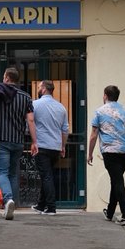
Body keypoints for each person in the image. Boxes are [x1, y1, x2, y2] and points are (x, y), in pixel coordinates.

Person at [0, 66, 37, 220]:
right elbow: (30, 120)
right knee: (13, 173)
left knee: (2, 172)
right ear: (17, 79)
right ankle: (13, 203)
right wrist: (34, 141)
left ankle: (8, 199)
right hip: (18, 141)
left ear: (6, 77)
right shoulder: (25, 97)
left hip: (0, 139)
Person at [87, 85, 125, 226]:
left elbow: (93, 135)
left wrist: (90, 153)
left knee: (117, 182)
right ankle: (110, 212)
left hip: (110, 152)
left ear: (105, 96)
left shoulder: (99, 112)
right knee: (116, 180)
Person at [31, 79, 69, 215]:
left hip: (42, 145)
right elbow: (65, 130)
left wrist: (32, 140)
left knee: (46, 176)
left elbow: (29, 123)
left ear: (44, 89)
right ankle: (41, 205)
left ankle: (51, 207)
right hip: (55, 147)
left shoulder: (35, 104)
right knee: (47, 175)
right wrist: (63, 146)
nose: (39, 88)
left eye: (40, 86)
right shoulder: (61, 107)